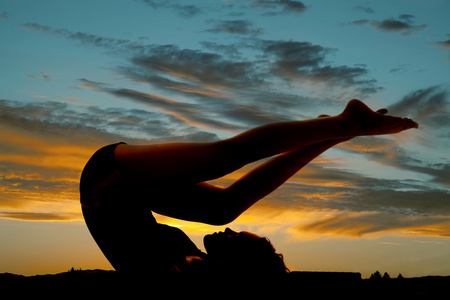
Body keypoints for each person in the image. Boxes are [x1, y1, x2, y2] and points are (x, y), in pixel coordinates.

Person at [80, 99, 418, 277]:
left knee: (224, 162)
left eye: (237, 238)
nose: (230, 232)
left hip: (108, 185)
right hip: (121, 184)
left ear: (237, 266)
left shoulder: (194, 268)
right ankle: (338, 130)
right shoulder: (200, 263)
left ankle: (343, 126)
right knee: (224, 205)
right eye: (238, 234)